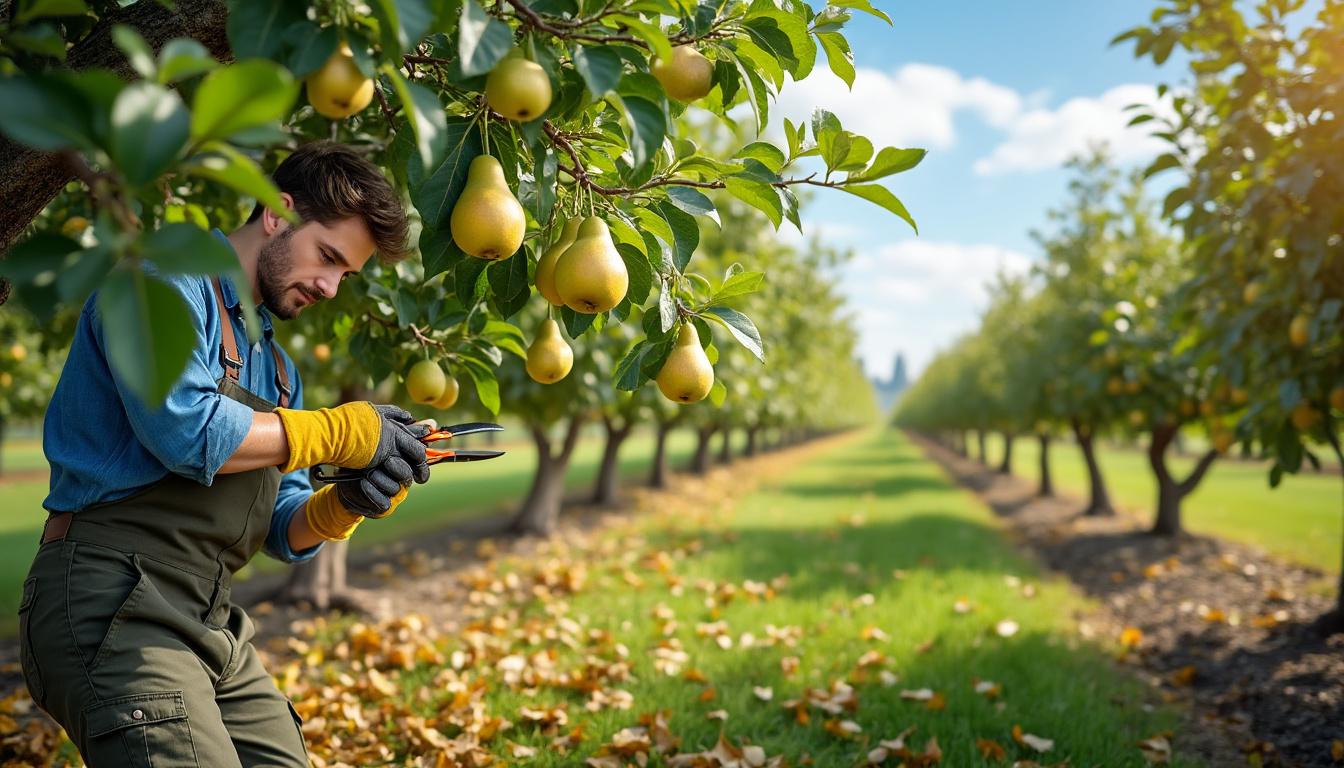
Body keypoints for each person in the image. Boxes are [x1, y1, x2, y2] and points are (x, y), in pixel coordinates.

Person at [17, 141, 428, 767]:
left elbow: (284, 530)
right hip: (108, 596)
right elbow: (185, 427)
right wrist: (334, 434)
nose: (329, 286)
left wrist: (344, 503)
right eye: (328, 257)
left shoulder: (280, 371)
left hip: (211, 619)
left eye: (345, 274)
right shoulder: (161, 280)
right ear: (276, 213)